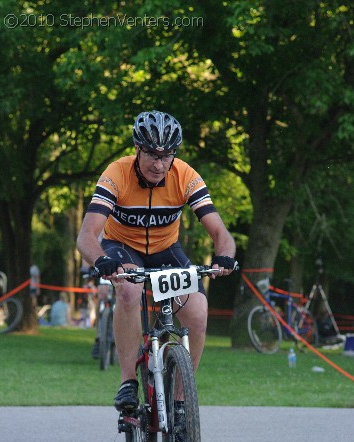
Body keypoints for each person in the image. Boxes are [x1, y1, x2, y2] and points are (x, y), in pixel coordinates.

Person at [77, 110, 236, 412]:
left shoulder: (185, 176)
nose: (159, 164)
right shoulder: (115, 174)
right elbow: (86, 236)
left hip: (166, 250)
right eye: (151, 154)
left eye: (167, 156)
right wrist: (102, 261)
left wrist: (225, 255)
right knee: (128, 290)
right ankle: (128, 382)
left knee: (199, 313)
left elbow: (220, 232)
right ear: (137, 148)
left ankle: (178, 402)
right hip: (121, 246)